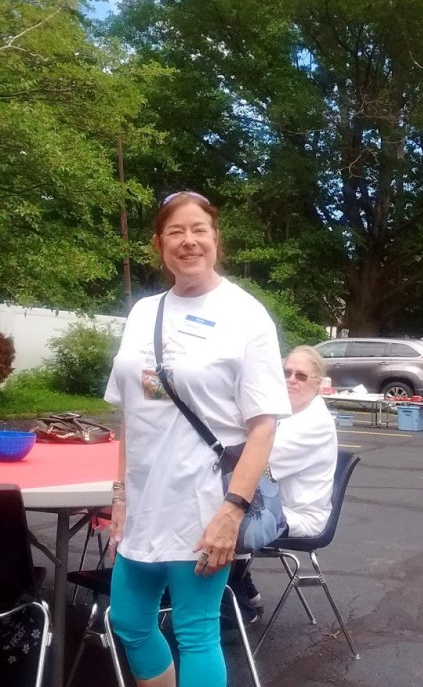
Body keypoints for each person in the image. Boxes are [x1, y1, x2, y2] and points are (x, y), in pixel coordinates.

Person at [104, 191, 291, 687]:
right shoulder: (143, 312)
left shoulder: (245, 315)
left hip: (203, 503)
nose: (188, 241)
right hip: (143, 501)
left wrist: (231, 512)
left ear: (215, 238)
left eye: (198, 230)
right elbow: (130, 412)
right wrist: (120, 493)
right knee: (129, 620)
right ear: (158, 244)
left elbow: (263, 426)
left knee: (195, 631)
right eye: (176, 232)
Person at [230, 345, 338, 613]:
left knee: (217, 516)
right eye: (286, 372)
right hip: (271, 503)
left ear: (317, 384)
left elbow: (255, 465)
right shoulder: (286, 412)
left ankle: (233, 606)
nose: (291, 380)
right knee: (216, 505)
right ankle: (242, 589)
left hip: (298, 514)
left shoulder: (314, 422)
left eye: (301, 376)